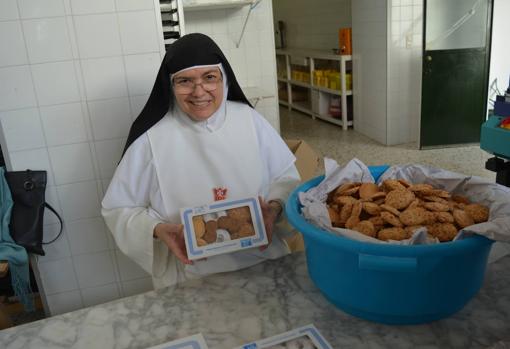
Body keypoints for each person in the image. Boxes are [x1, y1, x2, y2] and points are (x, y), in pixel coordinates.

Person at [101, 33, 300, 289]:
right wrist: (158, 229)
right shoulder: (150, 138)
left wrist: (274, 209)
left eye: (209, 78)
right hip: (190, 275)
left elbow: (287, 179)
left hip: (264, 262)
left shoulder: (250, 120)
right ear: (170, 86)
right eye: (185, 81)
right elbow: (118, 209)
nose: (199, 91)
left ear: (223, 79)